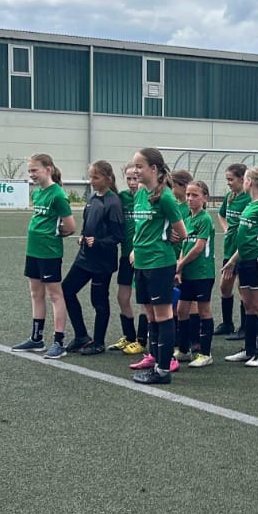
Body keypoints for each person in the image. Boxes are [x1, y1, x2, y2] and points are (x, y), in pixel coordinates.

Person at [128, 148, 188, 385]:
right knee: (150, 314)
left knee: (163, 316)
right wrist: (136, 249)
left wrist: (166, 238)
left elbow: (182, 232)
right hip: (141, 263)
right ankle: (155, 360)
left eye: (139, 166)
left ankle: (163, 370)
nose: (135, 171)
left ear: (153, 169)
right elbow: (141, 228)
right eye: (134, 166)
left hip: (159, 264)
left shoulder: (166, 197)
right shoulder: (140, 194)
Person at [12, 154, 76, 357]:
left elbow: (71, 226)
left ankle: (59, 342)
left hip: (49, 252)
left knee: (55, 295)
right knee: (35, 293)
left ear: (48, 169)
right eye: (29, 171)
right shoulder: (38, 193)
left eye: (35, 170)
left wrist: (52, 234)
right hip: (33, 250)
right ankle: (36, 338)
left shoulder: (58, 195)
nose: (31, 174)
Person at [62, 161, 126, 355]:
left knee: (98, 301)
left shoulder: (113, 202)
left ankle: (98, 342)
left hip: (102, 262)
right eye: (90, 177)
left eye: (95, 177)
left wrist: (98, 242)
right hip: (85, 257)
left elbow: (118, 236)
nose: (91, 181)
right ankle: (81, 336)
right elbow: (87, 224)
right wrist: (83, 236)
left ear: (107, 178)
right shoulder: (92, 197)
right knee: (67, 290)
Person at [223, 167, 258, 366]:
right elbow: (245, 239)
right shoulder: (249, 205)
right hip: (244, 261)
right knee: (248, 304)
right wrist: (232, 261)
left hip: (256, 262)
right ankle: (249, 349)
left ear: (250, 182)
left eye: (245, 179)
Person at [175, 179, 217, 367]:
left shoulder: (205, 219)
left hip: (202, 273)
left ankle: (205, 353)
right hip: (188, 273)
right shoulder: (187, 219)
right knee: (181, 310)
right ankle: (184, 350)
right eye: (188, 195)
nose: (190, 199)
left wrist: (181, 263)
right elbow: (184, 245)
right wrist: (180, 267)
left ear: (204, 198)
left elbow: (199, 248)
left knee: (203, 310)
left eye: (195, 195)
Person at [108, 165, 146, 355]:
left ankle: (142, 339)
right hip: (126, 255)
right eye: (129, 178)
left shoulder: (147, 197)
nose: (132, 183)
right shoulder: (121, 198)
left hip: (144, 255)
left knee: (144, 300)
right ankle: (129, 336)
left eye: (135, 178)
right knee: (122, 297)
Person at [215, 163, 250, 338]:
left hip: (243, 250)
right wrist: (227, 228)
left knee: (243, 288)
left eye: (231, 179)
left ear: (242, 179)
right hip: (229, 249)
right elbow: (221, 214)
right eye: (227, 179)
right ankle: (227, 323)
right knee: (224, 286)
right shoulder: (230, 196)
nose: (228, 183)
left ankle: (245, 327)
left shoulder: (249, 199)